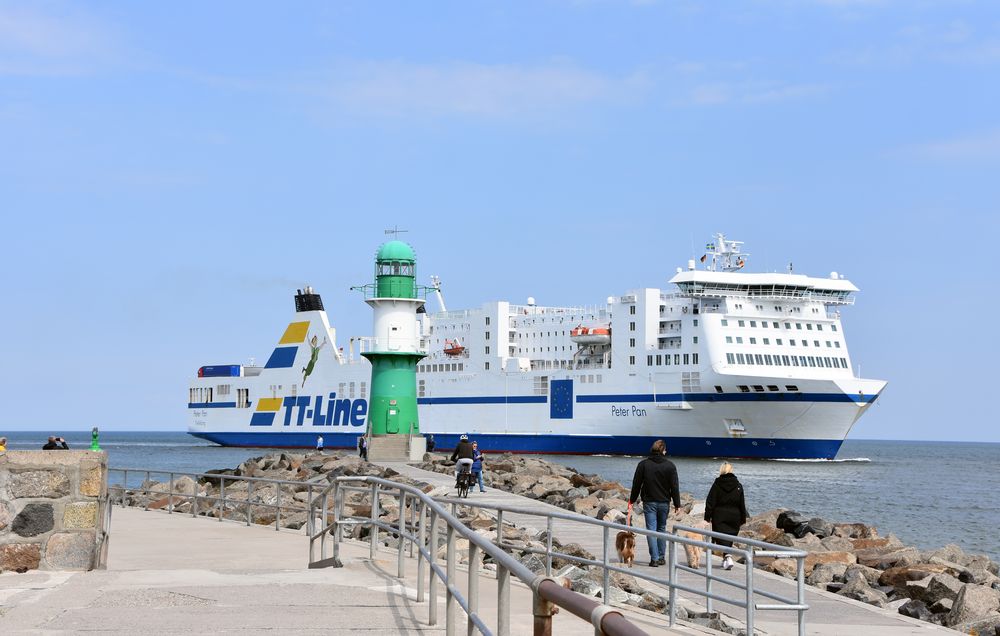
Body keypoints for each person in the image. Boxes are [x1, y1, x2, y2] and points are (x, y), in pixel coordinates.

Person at [628, 439, 681, 567]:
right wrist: (677, 504)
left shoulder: (643, 465)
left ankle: (655, 559)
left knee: (651, 530)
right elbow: (674, 487)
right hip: (664, 502)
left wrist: (632, 500)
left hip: (649, 502)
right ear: (663, 450)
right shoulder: (670, 466)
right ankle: (662, 557)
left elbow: (636, 484)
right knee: (661, 529)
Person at [704, 462, 749, 571]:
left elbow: (710, 501)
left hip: (719, 516)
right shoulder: (738, 485)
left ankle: (727, 557)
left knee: (721, 538)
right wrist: (743, 518)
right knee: (729, 538)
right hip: (735, 516)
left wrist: (707, 517)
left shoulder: (717, 484)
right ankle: (726, 558)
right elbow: (742, 504)